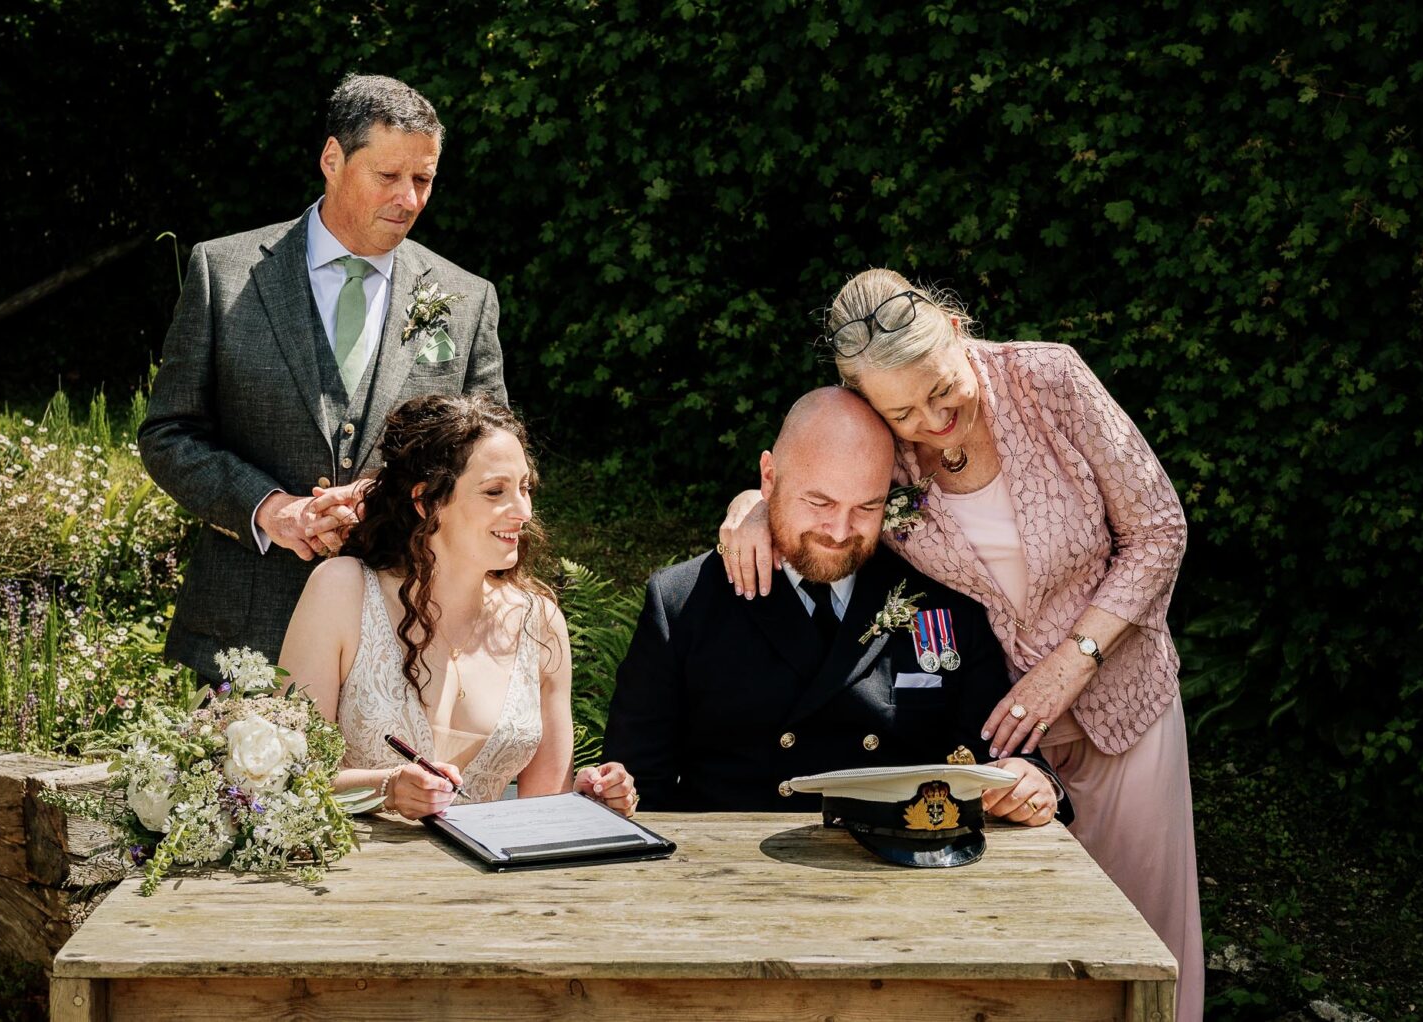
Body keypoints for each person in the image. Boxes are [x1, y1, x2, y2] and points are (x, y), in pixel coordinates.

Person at [718, 271, 1201, 1020]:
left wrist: (1071, 663)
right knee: (1032, 950)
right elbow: (812, 472)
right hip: (1000, 742)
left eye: (942, 390)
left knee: (1143, 937)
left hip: (1121, 711)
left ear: (953, 326)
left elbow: (1160, 529)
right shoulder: (888, 438)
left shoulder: (1050, 378)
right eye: (902, 411)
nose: (932, 420)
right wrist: (751, 508)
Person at [139, 73, 506, 680]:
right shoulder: (223, 273)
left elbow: (492, 466)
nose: (409, 200)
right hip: (245, 630)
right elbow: (169, 434)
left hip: (408, 632)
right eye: (388, 177)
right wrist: (269, 509)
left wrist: (387, 498)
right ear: (332, 159)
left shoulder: (465, 300)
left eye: (424, 180)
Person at [603, 387, 1063, 825]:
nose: (840, 531)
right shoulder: (684, 602)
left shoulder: (940, 601)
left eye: (867, 507)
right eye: (819, 501)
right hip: (738, 881)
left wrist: (1032, 782)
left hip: (898, 873)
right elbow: (637, 786)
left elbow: (999, 755)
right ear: (769, 477)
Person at [277, 394, 636, 817]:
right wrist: (385, 789)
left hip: (490, 878)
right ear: (427, 501)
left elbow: (544, 812)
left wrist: (590, 799)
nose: (523, 511)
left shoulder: (540, 622)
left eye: (525, 488)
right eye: (495, 491)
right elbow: (287, 776)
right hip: (355, 873)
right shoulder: (342, 591)